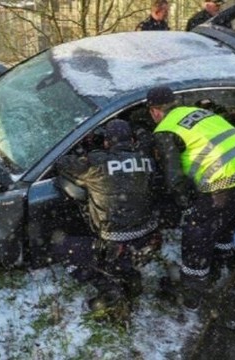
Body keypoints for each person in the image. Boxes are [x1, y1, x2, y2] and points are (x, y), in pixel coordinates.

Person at [145, 86, 235, 310]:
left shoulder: (164, 129)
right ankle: (220, 260)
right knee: (229, 216)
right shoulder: (199, 112)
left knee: (197, 230)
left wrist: (185, 205)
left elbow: (174, 178)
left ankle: (192, 290)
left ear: (154, 112)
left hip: (226, 179)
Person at [54, 119, 160, 321]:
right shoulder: (146, 160)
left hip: (115, 241)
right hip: (148, 236)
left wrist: (84, 152)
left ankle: (110, 288)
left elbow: (62, 163)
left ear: (106, 143)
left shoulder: (97, 164)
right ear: (131, 139)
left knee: (61, 246)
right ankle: (127, 273)